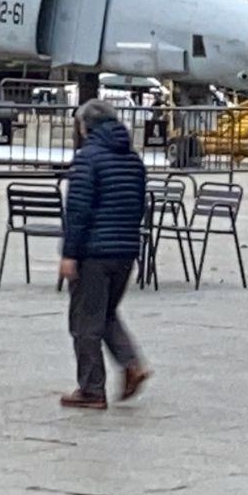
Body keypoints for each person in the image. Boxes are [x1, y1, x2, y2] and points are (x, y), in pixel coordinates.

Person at [59, 100, 150, 410]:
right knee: (106, 312)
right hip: (125, 250)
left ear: (86, 127)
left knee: (85, 322)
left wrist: (70, 253)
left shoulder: (88, 159)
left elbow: (79, 210)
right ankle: (132, 364)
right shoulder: (133, 160)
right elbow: (139, 206)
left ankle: (91, 389)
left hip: (94, 252)